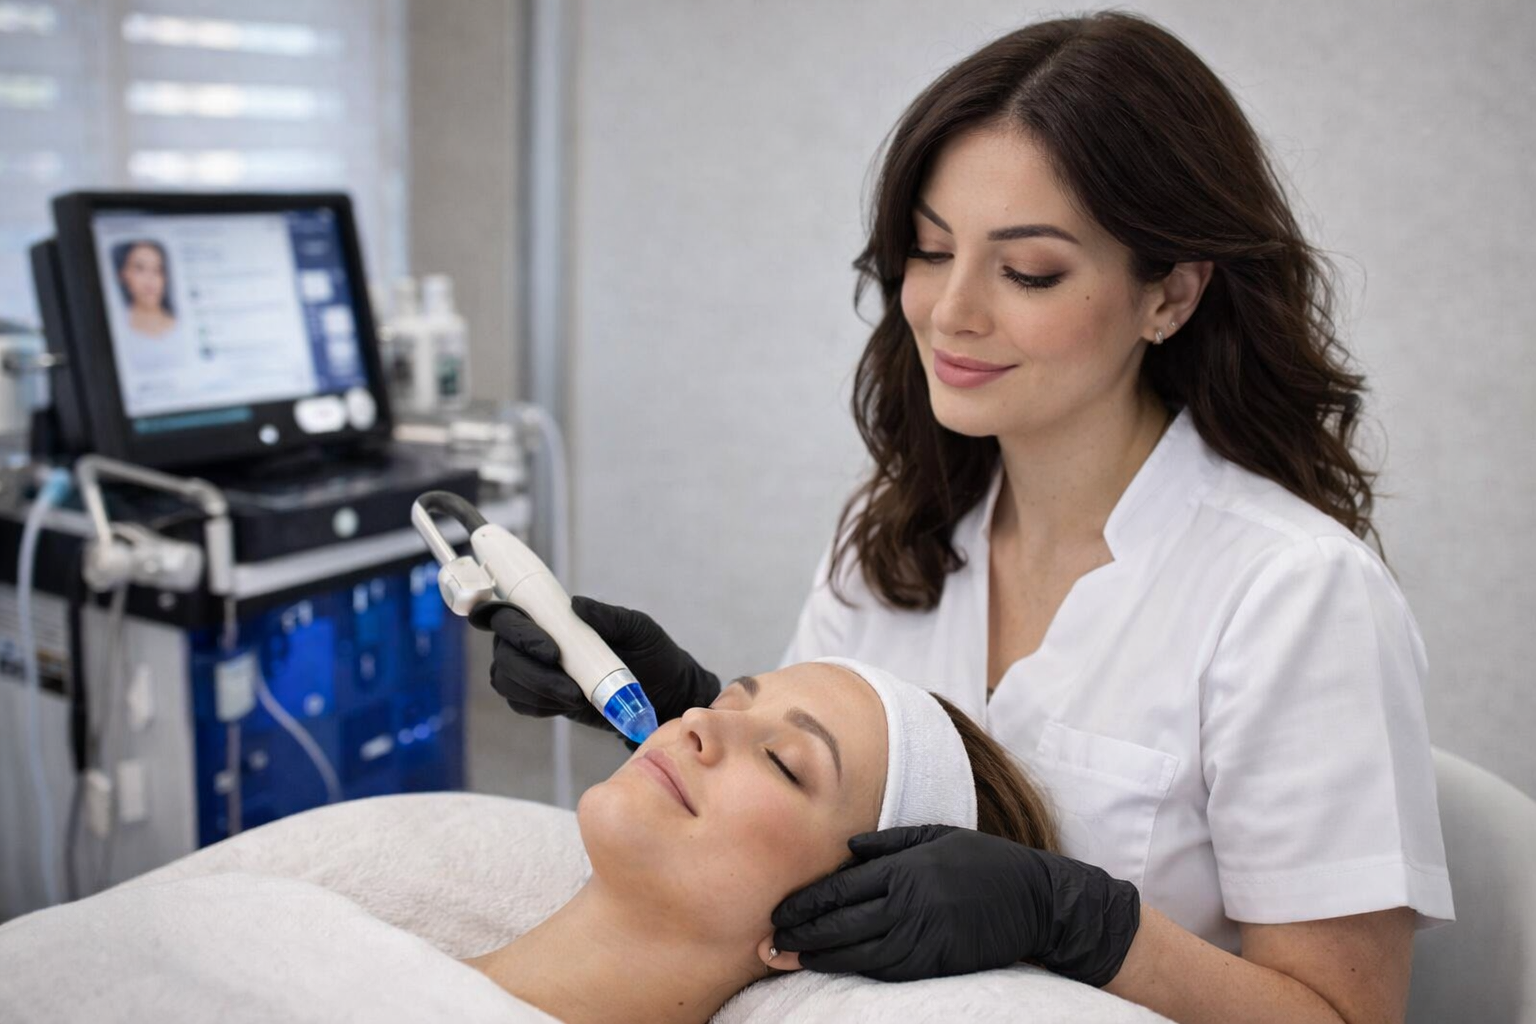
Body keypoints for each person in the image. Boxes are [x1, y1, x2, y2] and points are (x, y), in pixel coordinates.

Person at [483, 10, 1453, 1024]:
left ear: (1170, 294)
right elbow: (814, 847)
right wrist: (685, 705)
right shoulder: (895, 534)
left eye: (1028, 270)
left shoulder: (1293, 594)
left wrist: (1083, 922)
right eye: (931, 249)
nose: (950, 312)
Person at [0, 660, 1086, 1024]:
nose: (700, 719)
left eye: (786, 761)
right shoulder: (276, 929)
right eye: (733, 694)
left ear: (841, 916)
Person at [110, 240, 178, 340]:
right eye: (140, 269)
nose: (150, 279)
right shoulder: (118, 327)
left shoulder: (180, 326)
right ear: (122, 275)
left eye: (157, 270)